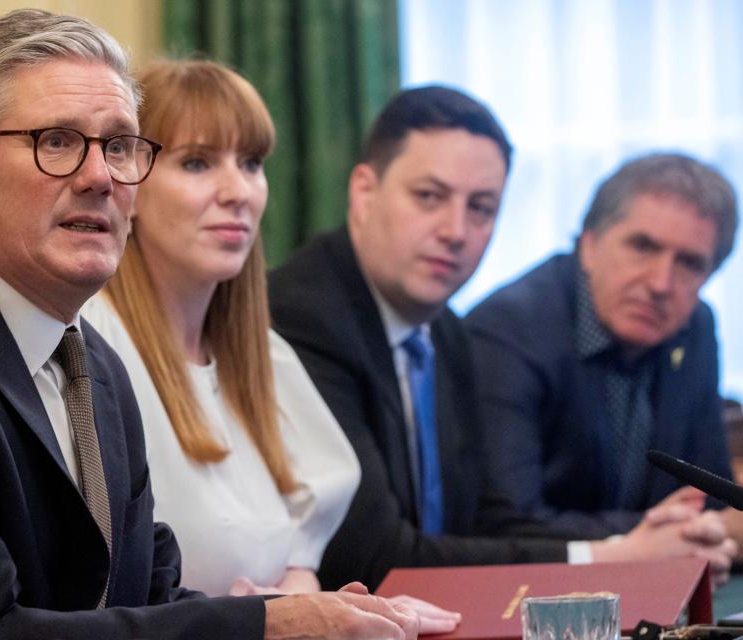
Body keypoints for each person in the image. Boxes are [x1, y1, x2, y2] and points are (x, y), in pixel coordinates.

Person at [0, 10, 427, 639]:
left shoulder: (93, 363)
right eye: (55, 141)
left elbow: (147, 597)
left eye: (119, 146)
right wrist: (267, 625)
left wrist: (328, 620)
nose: (99, 177)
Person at [268, 86, 737, 592]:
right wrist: (621, 551)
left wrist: (695, 532)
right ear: (363, 192)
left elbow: (462, 523)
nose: (455, 230)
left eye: (482, 208)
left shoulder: (440, 329)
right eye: (429, 196)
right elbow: (379, 557)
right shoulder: (308, 317)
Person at [81, 58, 461, 633]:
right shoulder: (90, 349)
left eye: (252, 163)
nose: (238, 192)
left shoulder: (267, 358)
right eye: (197, 162)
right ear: (130, 179)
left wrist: (305, 599)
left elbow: (301, 556)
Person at [465, 153, 741, 542]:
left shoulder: (694, 325)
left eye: (690, 263)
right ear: (589, 245)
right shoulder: (508, 330)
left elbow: (711, 494)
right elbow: (506, 523)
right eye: (643, 246)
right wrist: (670, 536)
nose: (661, 283)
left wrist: (714, 525)